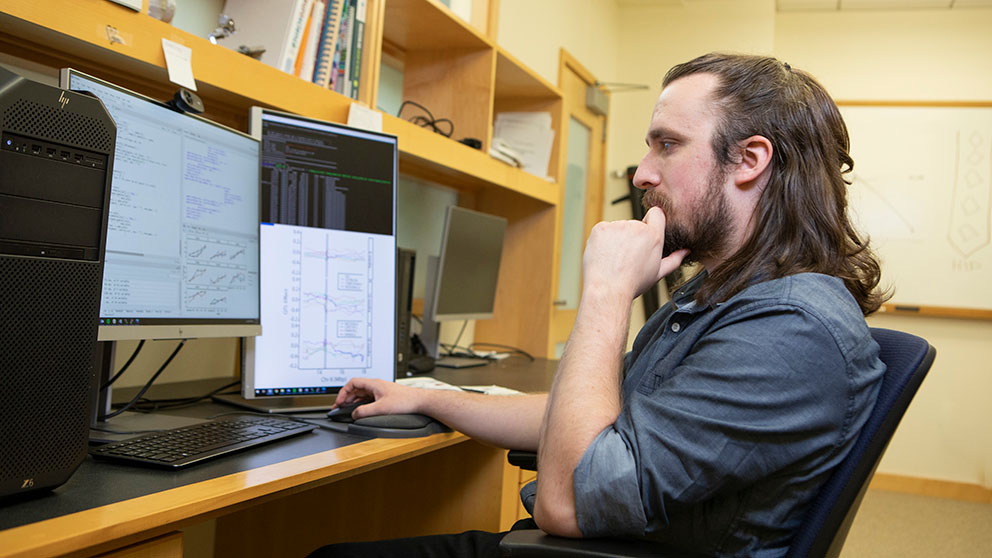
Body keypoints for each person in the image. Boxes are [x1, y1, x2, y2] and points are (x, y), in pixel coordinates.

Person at [308, 52, 888, 558]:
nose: (642, 173)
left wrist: (608, 292)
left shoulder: (790, 331)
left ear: (750, 160)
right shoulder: (724, 294)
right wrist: (426, 396)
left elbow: (567, 503)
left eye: (667, 145)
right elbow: (584, 424)